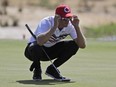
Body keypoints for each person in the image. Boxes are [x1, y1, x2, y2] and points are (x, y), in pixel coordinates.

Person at [24, 4, 86, 81]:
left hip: (50, 51)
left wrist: (77, 27)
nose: (67, 21)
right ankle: (37, 70)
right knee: (36, 47)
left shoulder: (70, 26)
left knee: (74, 45)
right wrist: (54, 27)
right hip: (33, 52)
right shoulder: (46, 22)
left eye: (69, 18)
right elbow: (40, 42)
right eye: (64, 18)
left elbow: (82, 45)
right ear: (57, 17)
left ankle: (52, 69)